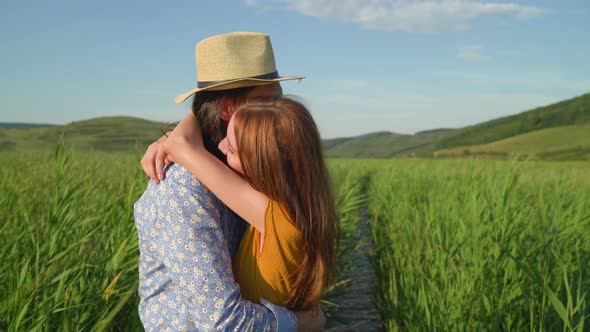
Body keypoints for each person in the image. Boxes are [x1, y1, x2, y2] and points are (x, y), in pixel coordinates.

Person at [134, 32, 326, 331]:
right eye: (266, 102)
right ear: (226, 110)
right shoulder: (183, 189)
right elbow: (223, 322)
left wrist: (179, 138)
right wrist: (302, 323)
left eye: (279, 100)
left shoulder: (256, 178)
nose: (277, 112)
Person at [162, 96, 338, 311]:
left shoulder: (277, 216)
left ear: (264, 165)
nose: (220, 145)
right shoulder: (301, 207)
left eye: (233, 149)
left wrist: (206, 103)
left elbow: (179, 145)